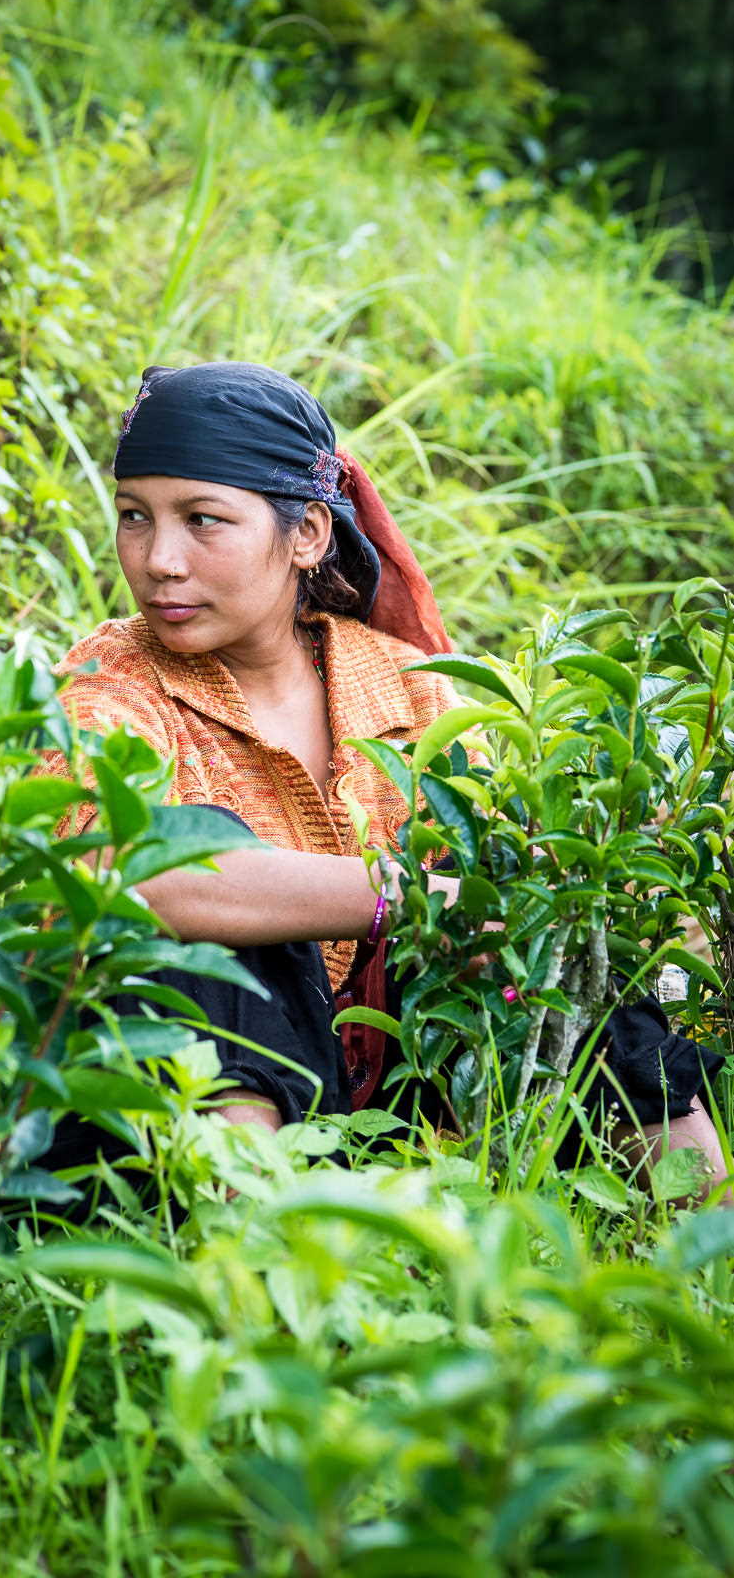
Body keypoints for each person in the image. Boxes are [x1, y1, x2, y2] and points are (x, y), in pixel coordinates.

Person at [44, 361, 729, 1199]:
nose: (159, 560)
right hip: (166, 1116)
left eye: (203, 521)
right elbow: (125, 874)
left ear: (305, 535)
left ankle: (703, 1226)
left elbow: (507, 888)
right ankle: (254, 1246)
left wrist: (517, 906)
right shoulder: (110, 678)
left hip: (391, 1107)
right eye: (134, 518)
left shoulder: (413, 688)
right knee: (215, 897)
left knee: (552, 925)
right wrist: (405, 895)